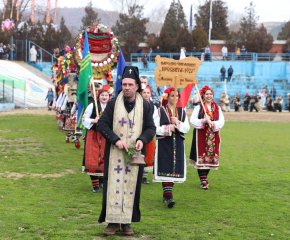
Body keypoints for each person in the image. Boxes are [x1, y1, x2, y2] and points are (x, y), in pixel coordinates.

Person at [96, 66, 156, 236]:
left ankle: (127, 222)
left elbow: (151, 128)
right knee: (112, 186)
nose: (127, 87)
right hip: (115, 153)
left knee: (132, 187)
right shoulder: (113, 103)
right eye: (124, 84)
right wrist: (116, 140)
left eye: (130, 84)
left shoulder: (145, 105)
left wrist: (142, 140)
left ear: (137, 86)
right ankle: (113, 222)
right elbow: (101, 125)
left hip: (135, 155)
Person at [153, 86, 190, 207]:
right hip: (164, 143)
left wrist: (178, 123)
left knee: (174, 168)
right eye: (172, 95)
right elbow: (154, 128)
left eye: (177, 96)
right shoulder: (159, 111)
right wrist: (168, 128)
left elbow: (187, 128)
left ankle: (166, 193)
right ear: (167, 97)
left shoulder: (182, 111)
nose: (175, 98)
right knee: (165, 166)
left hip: (177, 143)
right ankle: (169, 196)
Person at [189, 85, 225, 189]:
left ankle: (204, 177)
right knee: (201, 157)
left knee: (210, 158)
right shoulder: (198, 107)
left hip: (213, 136)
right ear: (203, 96)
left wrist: (212, 123)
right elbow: (192, 120)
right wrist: (204, 121)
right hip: (201, 136)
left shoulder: (217, 108)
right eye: (207, 94)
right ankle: (203, 180)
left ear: (213, 96)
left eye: (210, 94)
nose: (209, 96)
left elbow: (221, 121)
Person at [82, 83, 109, 193]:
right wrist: (94, 120)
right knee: (93, 159)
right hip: (93, 135)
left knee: (104, 158)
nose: (104, 97)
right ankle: (95, 185)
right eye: (102, 95)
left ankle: (102, 181)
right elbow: (84, 119)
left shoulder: (111, 107)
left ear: (109, 97)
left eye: (106, 95)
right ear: (99, 96)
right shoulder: (93, 106)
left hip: (106, 136)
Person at [141, 86, 157, 184]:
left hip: (148, 131)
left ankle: (144, 177)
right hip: (138, 131)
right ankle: (138, 174)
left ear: (150, 94)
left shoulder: (153, 107)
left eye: (148, 93)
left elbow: (154, 119)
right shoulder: (137, 104)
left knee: (149, 152)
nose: (146, 94)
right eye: (144, 93)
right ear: (141, 94)